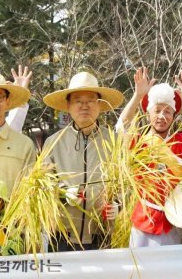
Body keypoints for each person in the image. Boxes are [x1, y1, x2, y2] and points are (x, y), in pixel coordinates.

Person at [118, 68, 182, 246]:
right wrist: (137, 96)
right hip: (144, 222)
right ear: (149, 114)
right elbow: (120, 130)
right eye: (157, 111)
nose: (162, 116)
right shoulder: (139, 143)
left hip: (176, 220)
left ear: (173, 116)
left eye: (167, 112)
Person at [42, 72, 124, 251]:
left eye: (90, 100)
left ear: (100, 105)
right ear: (68, 105)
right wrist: (64, 193)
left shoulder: (114, 141)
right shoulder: (54, 142)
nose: (84, 106)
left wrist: (118, 204)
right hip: (62, 235)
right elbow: (44, 184)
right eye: (78, 100)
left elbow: (126, 183)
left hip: (103, 234)